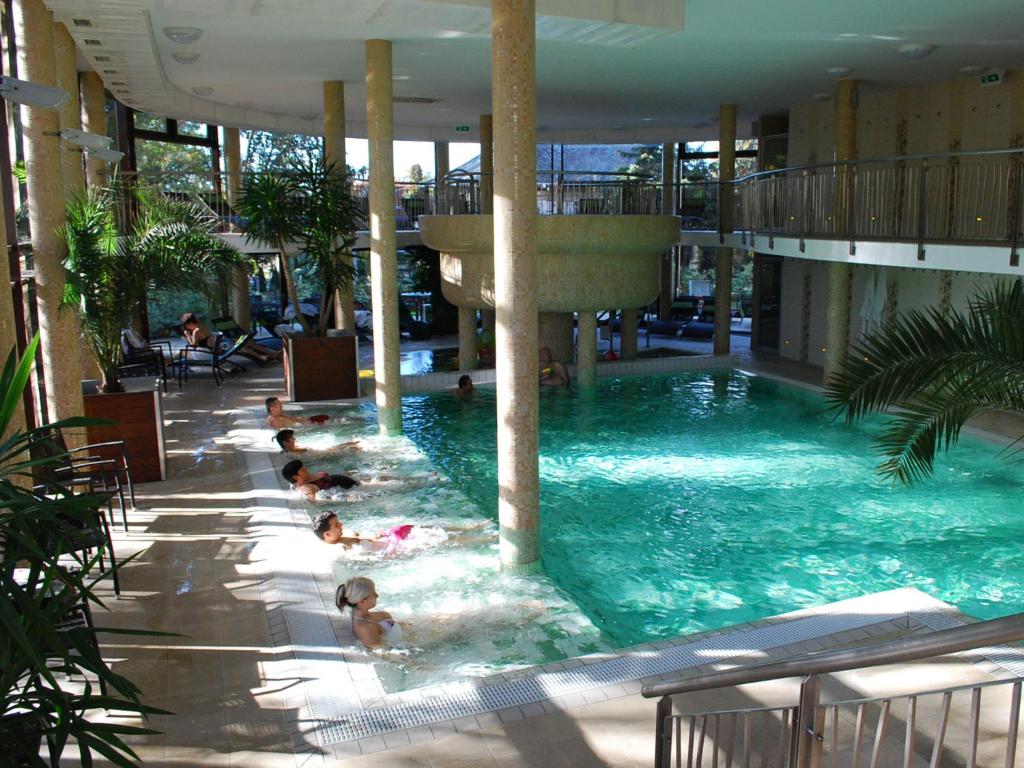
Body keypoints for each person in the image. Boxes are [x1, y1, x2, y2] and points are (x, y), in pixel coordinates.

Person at [311, 511, 492, 553]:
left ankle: (473, 528)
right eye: (336, 525)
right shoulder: (339, 548)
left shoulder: (345, 536)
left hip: (391, 537)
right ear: (326, 534)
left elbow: (362, 538)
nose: (341, 524)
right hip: (395, 544)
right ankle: (488, 536)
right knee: (442, 539)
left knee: (434, 530)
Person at [181, 312, 282, 364]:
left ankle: (262, 356)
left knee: (242, 347)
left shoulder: (195, 332)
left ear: (189, 324)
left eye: (187, 326)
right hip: (220, 344)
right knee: (248, 344)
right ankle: (270, 354)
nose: (187, 328)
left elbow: (193, 346)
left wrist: (188, 335)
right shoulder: (203, 327)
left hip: (216, 349)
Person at [336, 577, 401, 649]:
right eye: (373, 593)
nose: (377, 595)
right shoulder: (365, 630)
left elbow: (393, 626)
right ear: (362, 601)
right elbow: (382, 653)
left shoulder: (378, 617)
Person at [282, 460, 360, 501]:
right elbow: (316, 500)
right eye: (302, 470)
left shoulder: (307, 478)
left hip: (352, 483)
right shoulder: (306, 488)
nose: (306, 469)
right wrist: (348, 498)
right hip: (352, 489)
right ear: (295, 477)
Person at [275, 428, 360, 454]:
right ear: (285, 442)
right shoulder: (292, 452)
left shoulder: (291, 449)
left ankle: (353, 443)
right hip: (322, 454)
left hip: (320, 452)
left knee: (347, 445)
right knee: (352, 448)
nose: (294, 439)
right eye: (292, 438)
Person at [265, 397, 330, 429]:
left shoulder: (276, 416)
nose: (282, 406)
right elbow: (284, 433)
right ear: (272, 408)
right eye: (279, 405)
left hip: (308, 421)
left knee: (326, 417)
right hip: (310, 424)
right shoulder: (276, 420)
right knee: (328, 420)